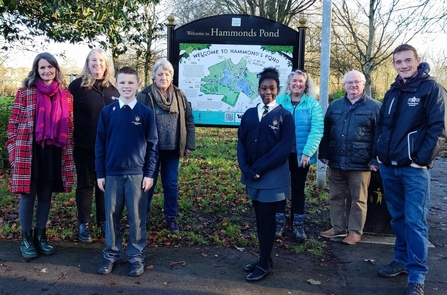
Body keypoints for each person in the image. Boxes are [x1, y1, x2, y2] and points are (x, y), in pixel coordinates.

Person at [374, 44, 447, 295]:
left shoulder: (432, 90)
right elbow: (382, 124)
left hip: (414, 170)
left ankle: (417, 275)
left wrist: (421, 160)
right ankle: (401, 261)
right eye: (398, 62)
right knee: (398, 218)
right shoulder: (392, 91)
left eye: (408, 60)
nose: (403, 65)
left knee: (415, 222)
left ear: (418, 60)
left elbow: (439, 129)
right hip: (389, 167)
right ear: (394, 64)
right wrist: (379, 153)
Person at [6, 52, 74, 259]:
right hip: (29, 151)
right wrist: (13, 153)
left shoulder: (66, 95)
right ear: (36, 70)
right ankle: (26, 239)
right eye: (42, 67)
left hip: (54, 151)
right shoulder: (25, 93)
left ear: (56, 69)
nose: (46, 71)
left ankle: (40, 237)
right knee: (28, 196)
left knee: (45, 196)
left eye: (50, 67)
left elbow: (70, 126)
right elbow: (13, 125)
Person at [95, 67, 158, 277]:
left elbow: (152, 145)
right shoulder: (107, 112)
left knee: (137, 216)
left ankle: (136, 256)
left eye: (131, 83)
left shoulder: (145, 113)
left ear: (138, 85)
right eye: (122, 83)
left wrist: (149, 173)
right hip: (111, 173)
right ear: (117, 85)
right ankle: (111, 255)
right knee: (111, 215)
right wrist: (100, 172)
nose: (126, 87)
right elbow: (100, 145)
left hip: (137, 175)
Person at [237, 67, 295, 282]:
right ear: (258, 89)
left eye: (271, 88)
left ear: (278, 90)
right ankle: (264, 259)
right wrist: (246, 168)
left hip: (271, 177)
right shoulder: (251, 114)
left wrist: (258, 169)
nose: (267, 92)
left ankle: (264, 264)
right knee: (259, 219)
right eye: (263, 88)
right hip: (252, 175)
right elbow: (241, 142)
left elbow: (282, 150)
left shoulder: (284, 116)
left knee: (267, 219)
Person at [319, 70, 381, 245]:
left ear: (363, 83)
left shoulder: (375, 107)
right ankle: (338, 227)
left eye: (357, 82)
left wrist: (375, 160)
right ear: (344, 85)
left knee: (358, 198)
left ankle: (354, 231)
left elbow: (380, 135)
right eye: (349, 82)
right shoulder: (335, 106)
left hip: (361, 163)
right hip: (336, 160)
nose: (353, 85)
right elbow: (326, 131)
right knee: (336, 196)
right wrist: (323, 153)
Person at [136, 58, 195, 234]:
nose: (163, 77)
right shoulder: (144, 95)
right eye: (160, 74)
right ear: (153, 77)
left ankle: (171, 217)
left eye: (167, 74)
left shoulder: (179, 95)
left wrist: (189, 143)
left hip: (172, 149)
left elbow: (189, 119)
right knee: (147, 184)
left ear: (172, 76)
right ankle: (142, 217)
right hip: (150, 151)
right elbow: (137, 122)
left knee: (171, 184)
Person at [69, 48, 119, 243]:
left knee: (104, 185)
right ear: (87, 64)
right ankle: (84, 224)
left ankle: (103, 220)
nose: (97, 64)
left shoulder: (114, 88)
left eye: (101, 60)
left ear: (106, 64)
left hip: (109, 148)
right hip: (84, 147)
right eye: (93, 61)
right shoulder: (77, 87)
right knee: (85, 184)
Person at [274, 69, 324, 241]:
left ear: (306, 84)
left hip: (302, 156)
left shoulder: (312, 105)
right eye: (294, 81)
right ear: (289, 84)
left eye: (301, 81)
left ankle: (298, 224)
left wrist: (307, 153)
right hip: (281, 155)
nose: (297, 84)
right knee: (280, 188)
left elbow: (316, 130)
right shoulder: (279, 101)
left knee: (298, 189)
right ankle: (278, 223)